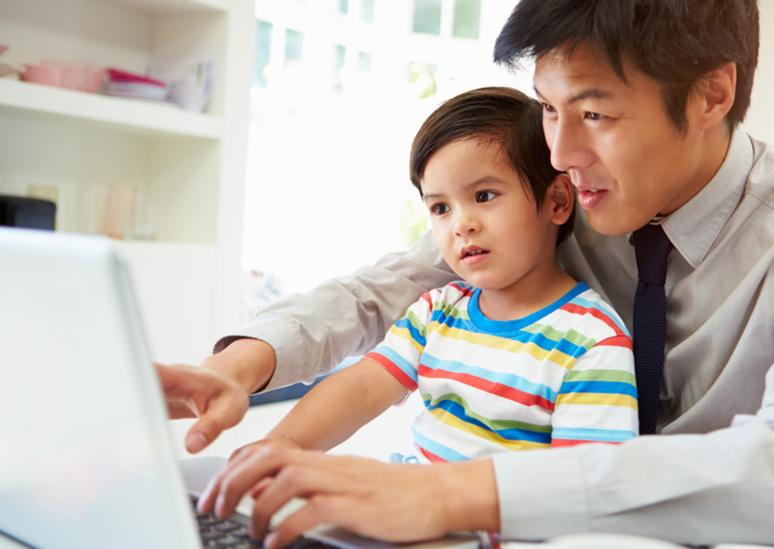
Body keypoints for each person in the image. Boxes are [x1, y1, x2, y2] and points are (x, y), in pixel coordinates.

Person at [164, 1, 774, 547]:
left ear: (712, 94)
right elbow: (382, 290)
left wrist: (453, 492)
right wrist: (243, 363)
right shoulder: (562, 200)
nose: (559, 152)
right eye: (549, 110)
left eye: (595, 114)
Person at [207, 87, 638, 468]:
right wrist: (278, 448)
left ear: (558, 201)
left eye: (484, 196)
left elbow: (588, 485)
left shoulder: (592, 340)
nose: (460, 225)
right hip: (410, 516)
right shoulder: (438, 310)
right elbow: (360, 389)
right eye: (440, 208)